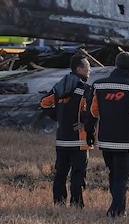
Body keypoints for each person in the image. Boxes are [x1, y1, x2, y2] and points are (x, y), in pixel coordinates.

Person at [86, 51, 129, 217]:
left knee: (113, 175)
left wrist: (89, 133)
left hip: (105, 140)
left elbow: (92, 113)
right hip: (126, 141)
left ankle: (119, 209)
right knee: (121, 178)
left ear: (116, 64)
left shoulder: (98, 85)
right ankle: (115, 210)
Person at [40, 53, 93, 207]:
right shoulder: (85, 89)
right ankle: (77, 205)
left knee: (60, 174)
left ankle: (59, 203)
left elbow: (44, 103)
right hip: (79, 140)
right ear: (79, 68)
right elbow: (94, 110)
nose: (90, 70)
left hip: (62, 138)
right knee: (78, 174)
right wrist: (85, 123)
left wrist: (58, 117)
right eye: (87, 67)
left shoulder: (59, 87)